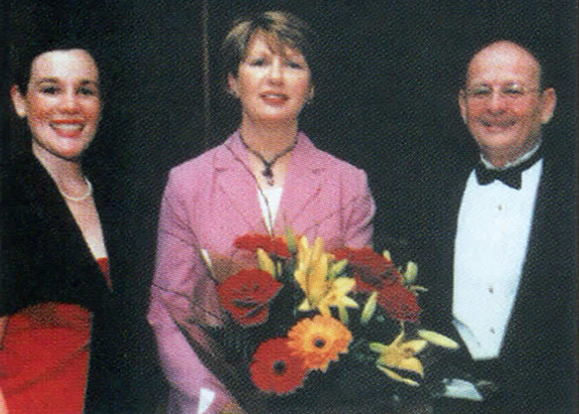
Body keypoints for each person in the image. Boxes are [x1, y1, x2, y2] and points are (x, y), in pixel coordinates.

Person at [147, 10, 375, 414]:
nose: (275, 77)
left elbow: (357, 311)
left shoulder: (348, 183)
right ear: (233, 81)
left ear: (311, 87)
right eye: (258, 62)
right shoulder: (188, 183)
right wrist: (217, 405)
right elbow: (170, 315)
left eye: (292, 64)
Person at [412, 40, 577, 413]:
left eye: (513, 91)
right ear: (462, 105)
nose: (496, 106)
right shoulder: (426, 197)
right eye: (481, 92)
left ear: (546, 105)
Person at [0, 40, 136, 414]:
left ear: (101, 104)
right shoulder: (8, 196)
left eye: (85, 90)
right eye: (51, 89)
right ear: (20, 100)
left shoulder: (121, 202)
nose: (70, 105)